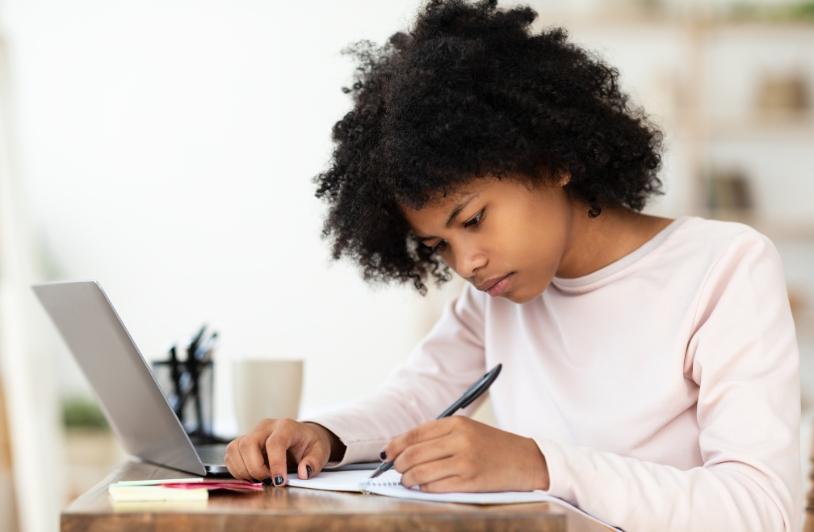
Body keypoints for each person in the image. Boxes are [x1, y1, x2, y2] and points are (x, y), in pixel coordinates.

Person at [224, 1, 803, 529]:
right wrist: (318, 435)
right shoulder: (494, 297)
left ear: (552, 161)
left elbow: (759, 509)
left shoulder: (725, 268)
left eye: (473, 219)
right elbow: (410, 402)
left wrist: (539, 464)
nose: (467, 263)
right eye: (439, 247)